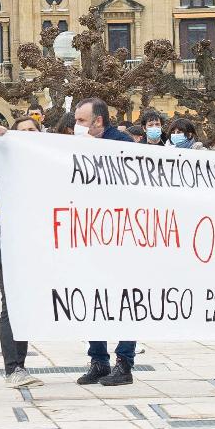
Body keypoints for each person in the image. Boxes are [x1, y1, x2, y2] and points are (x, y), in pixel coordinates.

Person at [72, 98, 139, 386]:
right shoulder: (76, 147)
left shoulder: (122, 145)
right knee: (93, 298)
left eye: (82, 120)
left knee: (125, 300)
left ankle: (124, 362)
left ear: (98, 121)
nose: (77, 126)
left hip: (122, 236)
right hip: (91, 234)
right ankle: (98, 360)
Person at [0, 116, 45, 388]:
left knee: (27, 302)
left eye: (32, 130)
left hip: (40, 241)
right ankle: (13, 367)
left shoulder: (50, 161)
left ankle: (19, 364)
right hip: (8, 240)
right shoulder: (2, 162)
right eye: (20, 131)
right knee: (11, 302)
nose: (27, 135)